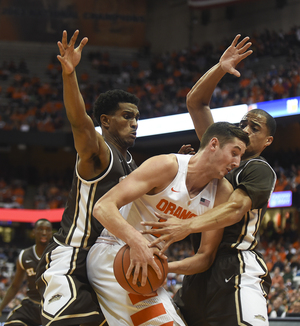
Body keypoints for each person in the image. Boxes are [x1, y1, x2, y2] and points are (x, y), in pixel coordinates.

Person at [35, 30, 193, 326]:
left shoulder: (134, 165)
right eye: (127, 117)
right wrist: (70, 75)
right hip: (73, 257)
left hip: (108, 259)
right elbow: (79, 122)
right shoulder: (98, 152)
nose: (135, 124)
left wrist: (179, 164)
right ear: (105, 121)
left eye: (137, 118)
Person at [141, 35, 277, 326]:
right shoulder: (219, 156)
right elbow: (196, 102)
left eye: (254, 128)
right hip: (200, 266)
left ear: (267, 140)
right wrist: (220, 67)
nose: (245, 129)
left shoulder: (257, 168)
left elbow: (234, 209)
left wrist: (185, 226)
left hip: (234, 263)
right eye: (242, 123)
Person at [87, 121, 249, 325]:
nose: (237, 162)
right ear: (213, 144)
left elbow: (205, 257)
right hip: (115, 252)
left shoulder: (222, 192)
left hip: (147, 266)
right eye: (234, 152)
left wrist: (166, 268)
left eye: (241, 156)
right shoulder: (167, 166)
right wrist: (137, 243)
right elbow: (102, 207)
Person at [0, 219, 52, 326]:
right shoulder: (25, 255)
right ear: (33, 232)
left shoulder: (58, 254)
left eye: (47, 230)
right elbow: (15, 286)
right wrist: (0, 307)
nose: (44, 233)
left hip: (53, 305)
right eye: (40, 229)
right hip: (31, 306)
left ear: (52, 233)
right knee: (11, 324)